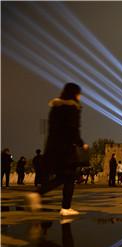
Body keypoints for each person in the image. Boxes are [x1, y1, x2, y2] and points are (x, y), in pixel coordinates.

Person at [25, 82, 88, 215]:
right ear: (75, 94)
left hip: (53, 147)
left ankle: (42, 195)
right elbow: (72, 129)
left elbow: (53, 129)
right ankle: (63, 207)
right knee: (69, 176)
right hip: (65, 149)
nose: (80, 96)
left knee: (63, 176)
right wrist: (81, 143)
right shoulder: (72, 107)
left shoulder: (55, 107)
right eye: (79, 93)